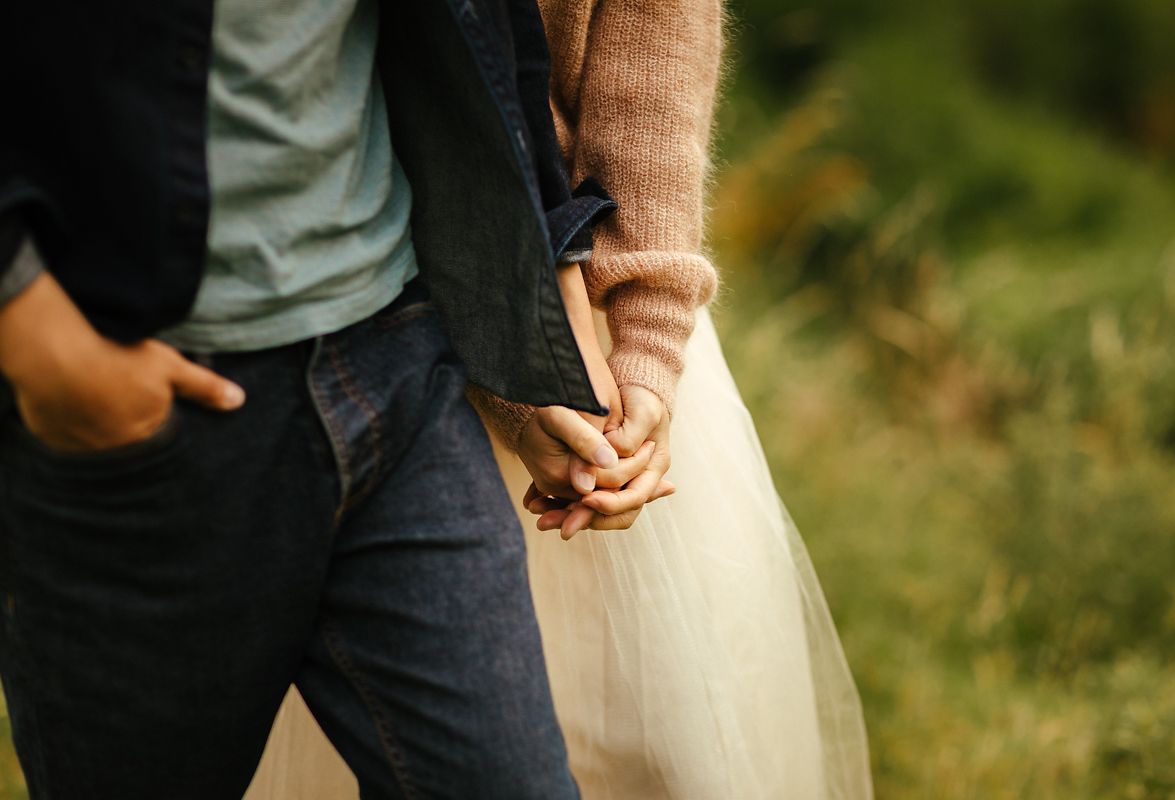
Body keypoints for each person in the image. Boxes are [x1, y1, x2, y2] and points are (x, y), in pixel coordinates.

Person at [0, 1, 663, 797]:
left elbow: (489, 37)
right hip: (148, 418)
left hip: (398, 362)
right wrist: (31, 327)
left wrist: (549, 353)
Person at [249, 1, 875, 798]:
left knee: (653, 739)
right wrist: (519, 363)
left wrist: (646, 343)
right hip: (373, 325)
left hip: (598, 338)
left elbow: (654, 69)